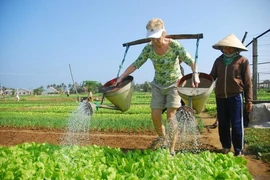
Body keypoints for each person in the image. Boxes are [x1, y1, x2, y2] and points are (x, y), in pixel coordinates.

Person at [115, 18, 200, 155]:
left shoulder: (174, 45)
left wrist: (195, 73)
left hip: (174, 84)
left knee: (171, 116)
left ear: (163, 33)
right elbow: (136, 63)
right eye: (151, 38)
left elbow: (191, 61)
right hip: (158, 84)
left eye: (156, 37)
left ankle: (172, 149)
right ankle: (164, 140)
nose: (154, 41)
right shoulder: (149, 48)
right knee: (155, 116)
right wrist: (122, 76)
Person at [209, 34, 253, 156]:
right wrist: (200, 82)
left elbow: (248, 82)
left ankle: (239, 149)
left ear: (236, 49)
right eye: (225, 47)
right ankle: (226, 146)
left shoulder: (242, 61)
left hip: (236, 96)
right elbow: (212, 76)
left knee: (236, 123)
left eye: (230, 48)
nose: (227, 50)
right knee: (222, 123)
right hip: (220, 96)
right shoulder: (218, 61)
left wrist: (249, 100)